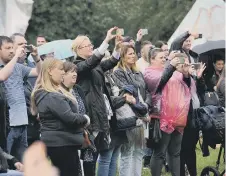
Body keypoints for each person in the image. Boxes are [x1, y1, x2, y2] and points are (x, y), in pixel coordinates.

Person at [72, 27, 121, 176]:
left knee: (98, 153)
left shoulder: (94, 64)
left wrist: (117, 48)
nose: (91, 48)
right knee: (90, 156)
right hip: (89, 115)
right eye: (89, 46)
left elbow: (110, 62)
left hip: (100, 114)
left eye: (92, 46)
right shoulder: (76, 65)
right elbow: (91, 63)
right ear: (78, 49)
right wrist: (106, 41)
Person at [31, 58, 90, 176]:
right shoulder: (52, 96)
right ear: (50, 71)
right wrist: (85, 119)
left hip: (62, 143)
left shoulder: (49, 93)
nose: (63, 72)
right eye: (61, 69)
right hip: (62, 145)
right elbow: (70, 118)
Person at [145, 53, 196, 176]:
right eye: (161, 57)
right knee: (160, 153)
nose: (164, 59)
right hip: (162, 118)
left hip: (179, 119)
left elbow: (188, 88)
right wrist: (171, 65)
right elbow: (160, 81)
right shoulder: (149, 72)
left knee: (175, 153)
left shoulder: (173, 71)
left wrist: (185, 74)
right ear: (152, 59)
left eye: (165, 57)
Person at [1, 35, 41, 161]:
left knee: (23, 165)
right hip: (8, 125)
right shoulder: (8, 66)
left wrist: (36, 56)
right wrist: (16, 58)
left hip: (22, 123)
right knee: (7, 162)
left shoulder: (18, 67)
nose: (12, 51)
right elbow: (2, 76)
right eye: (8, 48)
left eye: (13, 48)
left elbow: (39, 72)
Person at [113, 45, 150, 176]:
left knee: (139, 151)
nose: (133, 56)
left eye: (134, 53)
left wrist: (146, 110)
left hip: (142, 113)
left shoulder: (138, 72)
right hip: (129, 115)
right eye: (129, 54)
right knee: (127, 152)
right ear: (122, 56)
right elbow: (127, 95)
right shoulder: (118, 72)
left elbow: (145, 92)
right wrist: (142, 111)